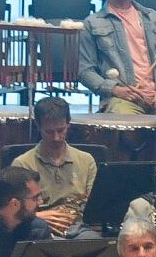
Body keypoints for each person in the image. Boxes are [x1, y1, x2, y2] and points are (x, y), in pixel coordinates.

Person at [10, 96, 97, 239]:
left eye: (61, 130)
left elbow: (94, 206)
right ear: (38, 127)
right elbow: (12, 211)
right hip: (39, 227)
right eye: (49, 132)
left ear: (68, 124)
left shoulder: (86, 160)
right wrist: (36, 216)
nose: (56, 137)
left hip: (78, 227)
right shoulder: (22, 163)